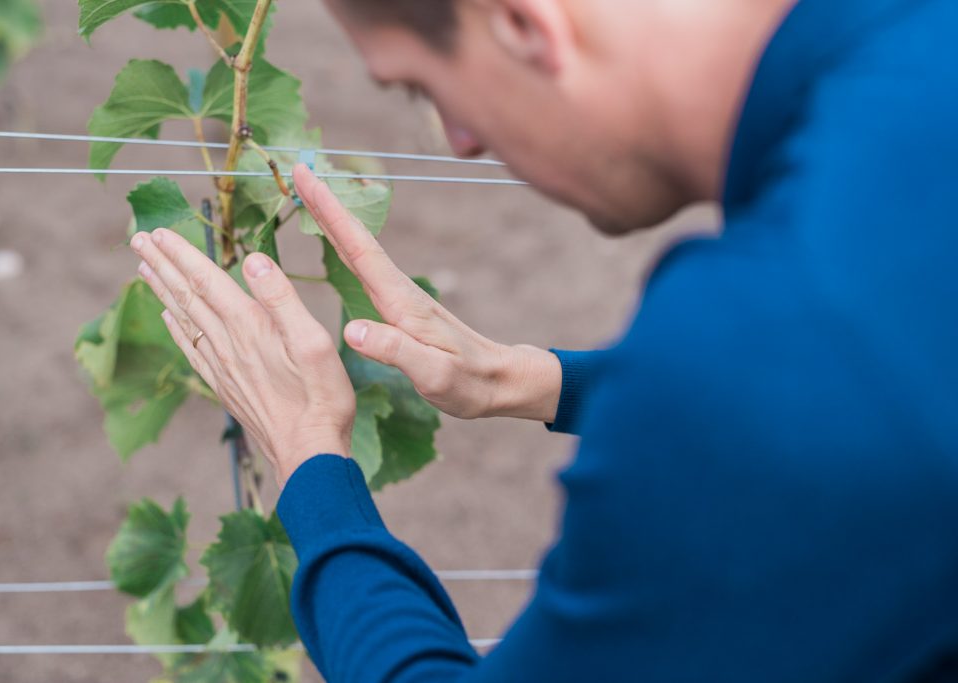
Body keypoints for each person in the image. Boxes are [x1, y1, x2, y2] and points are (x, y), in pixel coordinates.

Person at [129, 0, 958, 680]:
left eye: (422, 86)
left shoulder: (772, 335)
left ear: (526, 24)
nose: (459, 138)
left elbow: (784, 389)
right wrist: (532, 381)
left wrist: (309, 461)